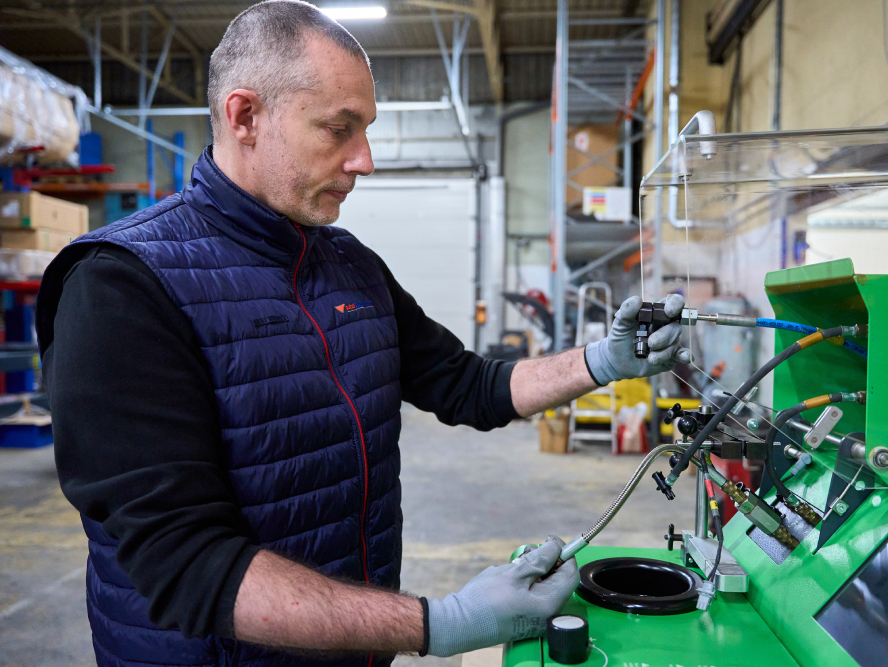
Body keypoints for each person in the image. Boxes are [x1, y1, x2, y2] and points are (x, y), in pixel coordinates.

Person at [35, 2, 689, 666]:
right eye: (339, 128)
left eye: (366, 129)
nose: (365, 160)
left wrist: (603, 360)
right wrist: (444, 621)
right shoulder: (121, 286)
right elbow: (187, 566)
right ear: (244, 116)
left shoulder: (350, 266)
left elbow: (468, 385)